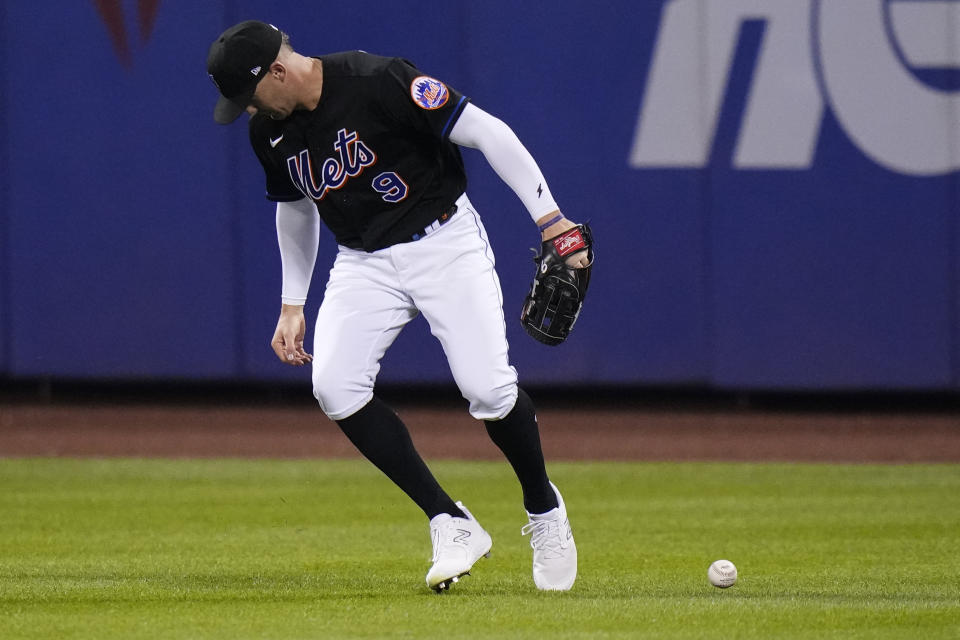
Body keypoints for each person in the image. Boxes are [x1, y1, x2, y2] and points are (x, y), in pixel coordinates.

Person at [206, 20, 587, 592]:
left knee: (488, 390)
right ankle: (449, 520)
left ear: (277, 72)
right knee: (335, 386)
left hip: (444, 242)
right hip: (363, 262)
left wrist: (551, 218)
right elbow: (295, 208)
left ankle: (543, 507)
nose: (249, 111)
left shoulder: (376, 79)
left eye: (250, 96)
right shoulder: (270, 133)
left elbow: (486, 131)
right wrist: (292, 302)